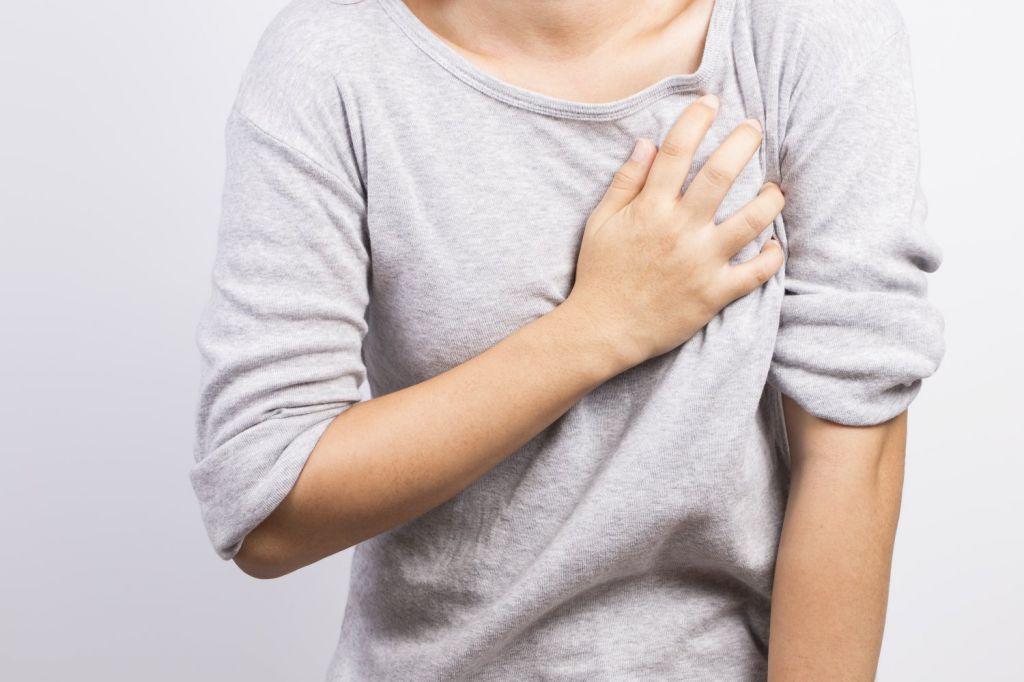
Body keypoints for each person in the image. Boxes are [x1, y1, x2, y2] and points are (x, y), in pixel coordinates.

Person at [189, 0, 945, 678]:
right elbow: (266, 512)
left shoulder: (807, 31)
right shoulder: (332, 62)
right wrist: (599, 328)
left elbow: (854, 449)